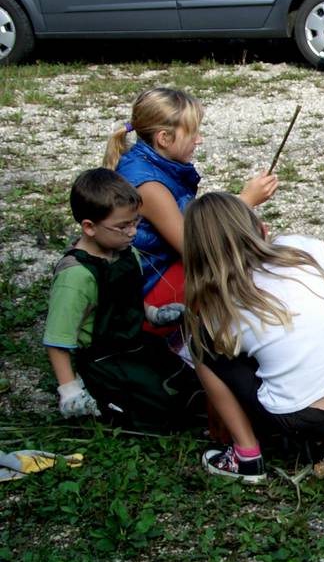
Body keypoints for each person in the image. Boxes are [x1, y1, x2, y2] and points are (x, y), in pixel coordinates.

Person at [183, 192, 324, 483]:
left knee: (201, 347)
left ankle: (246, 455)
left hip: (297, 416)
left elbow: (229, 352)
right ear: (256, 225)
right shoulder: (294, 248)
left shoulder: (221, 304)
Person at [104, 87, 277, 333]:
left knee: (247, 238)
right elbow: (196, 249)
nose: (199, 139)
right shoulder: (149, 186)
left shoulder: (153, 163)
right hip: (148, 297)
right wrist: (243, 203)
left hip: (158, 272)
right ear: (164, 138)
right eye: (192, 132)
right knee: (237, 258)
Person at [42, 169, 203, 428]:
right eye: (122, 226)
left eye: (135, 222)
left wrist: (152, 313)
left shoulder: (126, 253)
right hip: (104, 358)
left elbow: (127, 298)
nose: (132, 232)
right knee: (161, 414)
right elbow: (58, 339)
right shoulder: (76, 276)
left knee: (191, 386)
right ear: (89, 227)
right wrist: (69, 389)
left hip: (135, 344)